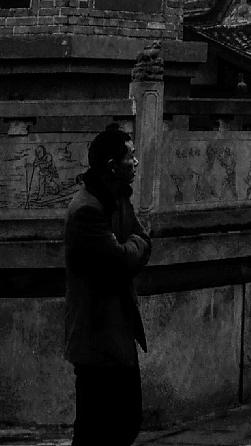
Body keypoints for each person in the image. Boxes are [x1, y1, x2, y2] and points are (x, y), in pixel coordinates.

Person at [64, 123, 152, 446]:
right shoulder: (87, 209)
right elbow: (121, 260)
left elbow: (143, 240)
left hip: (119, 335)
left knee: (127, 420)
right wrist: (133, 246)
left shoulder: (119, 198)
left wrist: (132, 245)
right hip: (97, 337)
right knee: (95, 429)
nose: (136, 162)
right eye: (131, 156)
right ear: (113, 166)